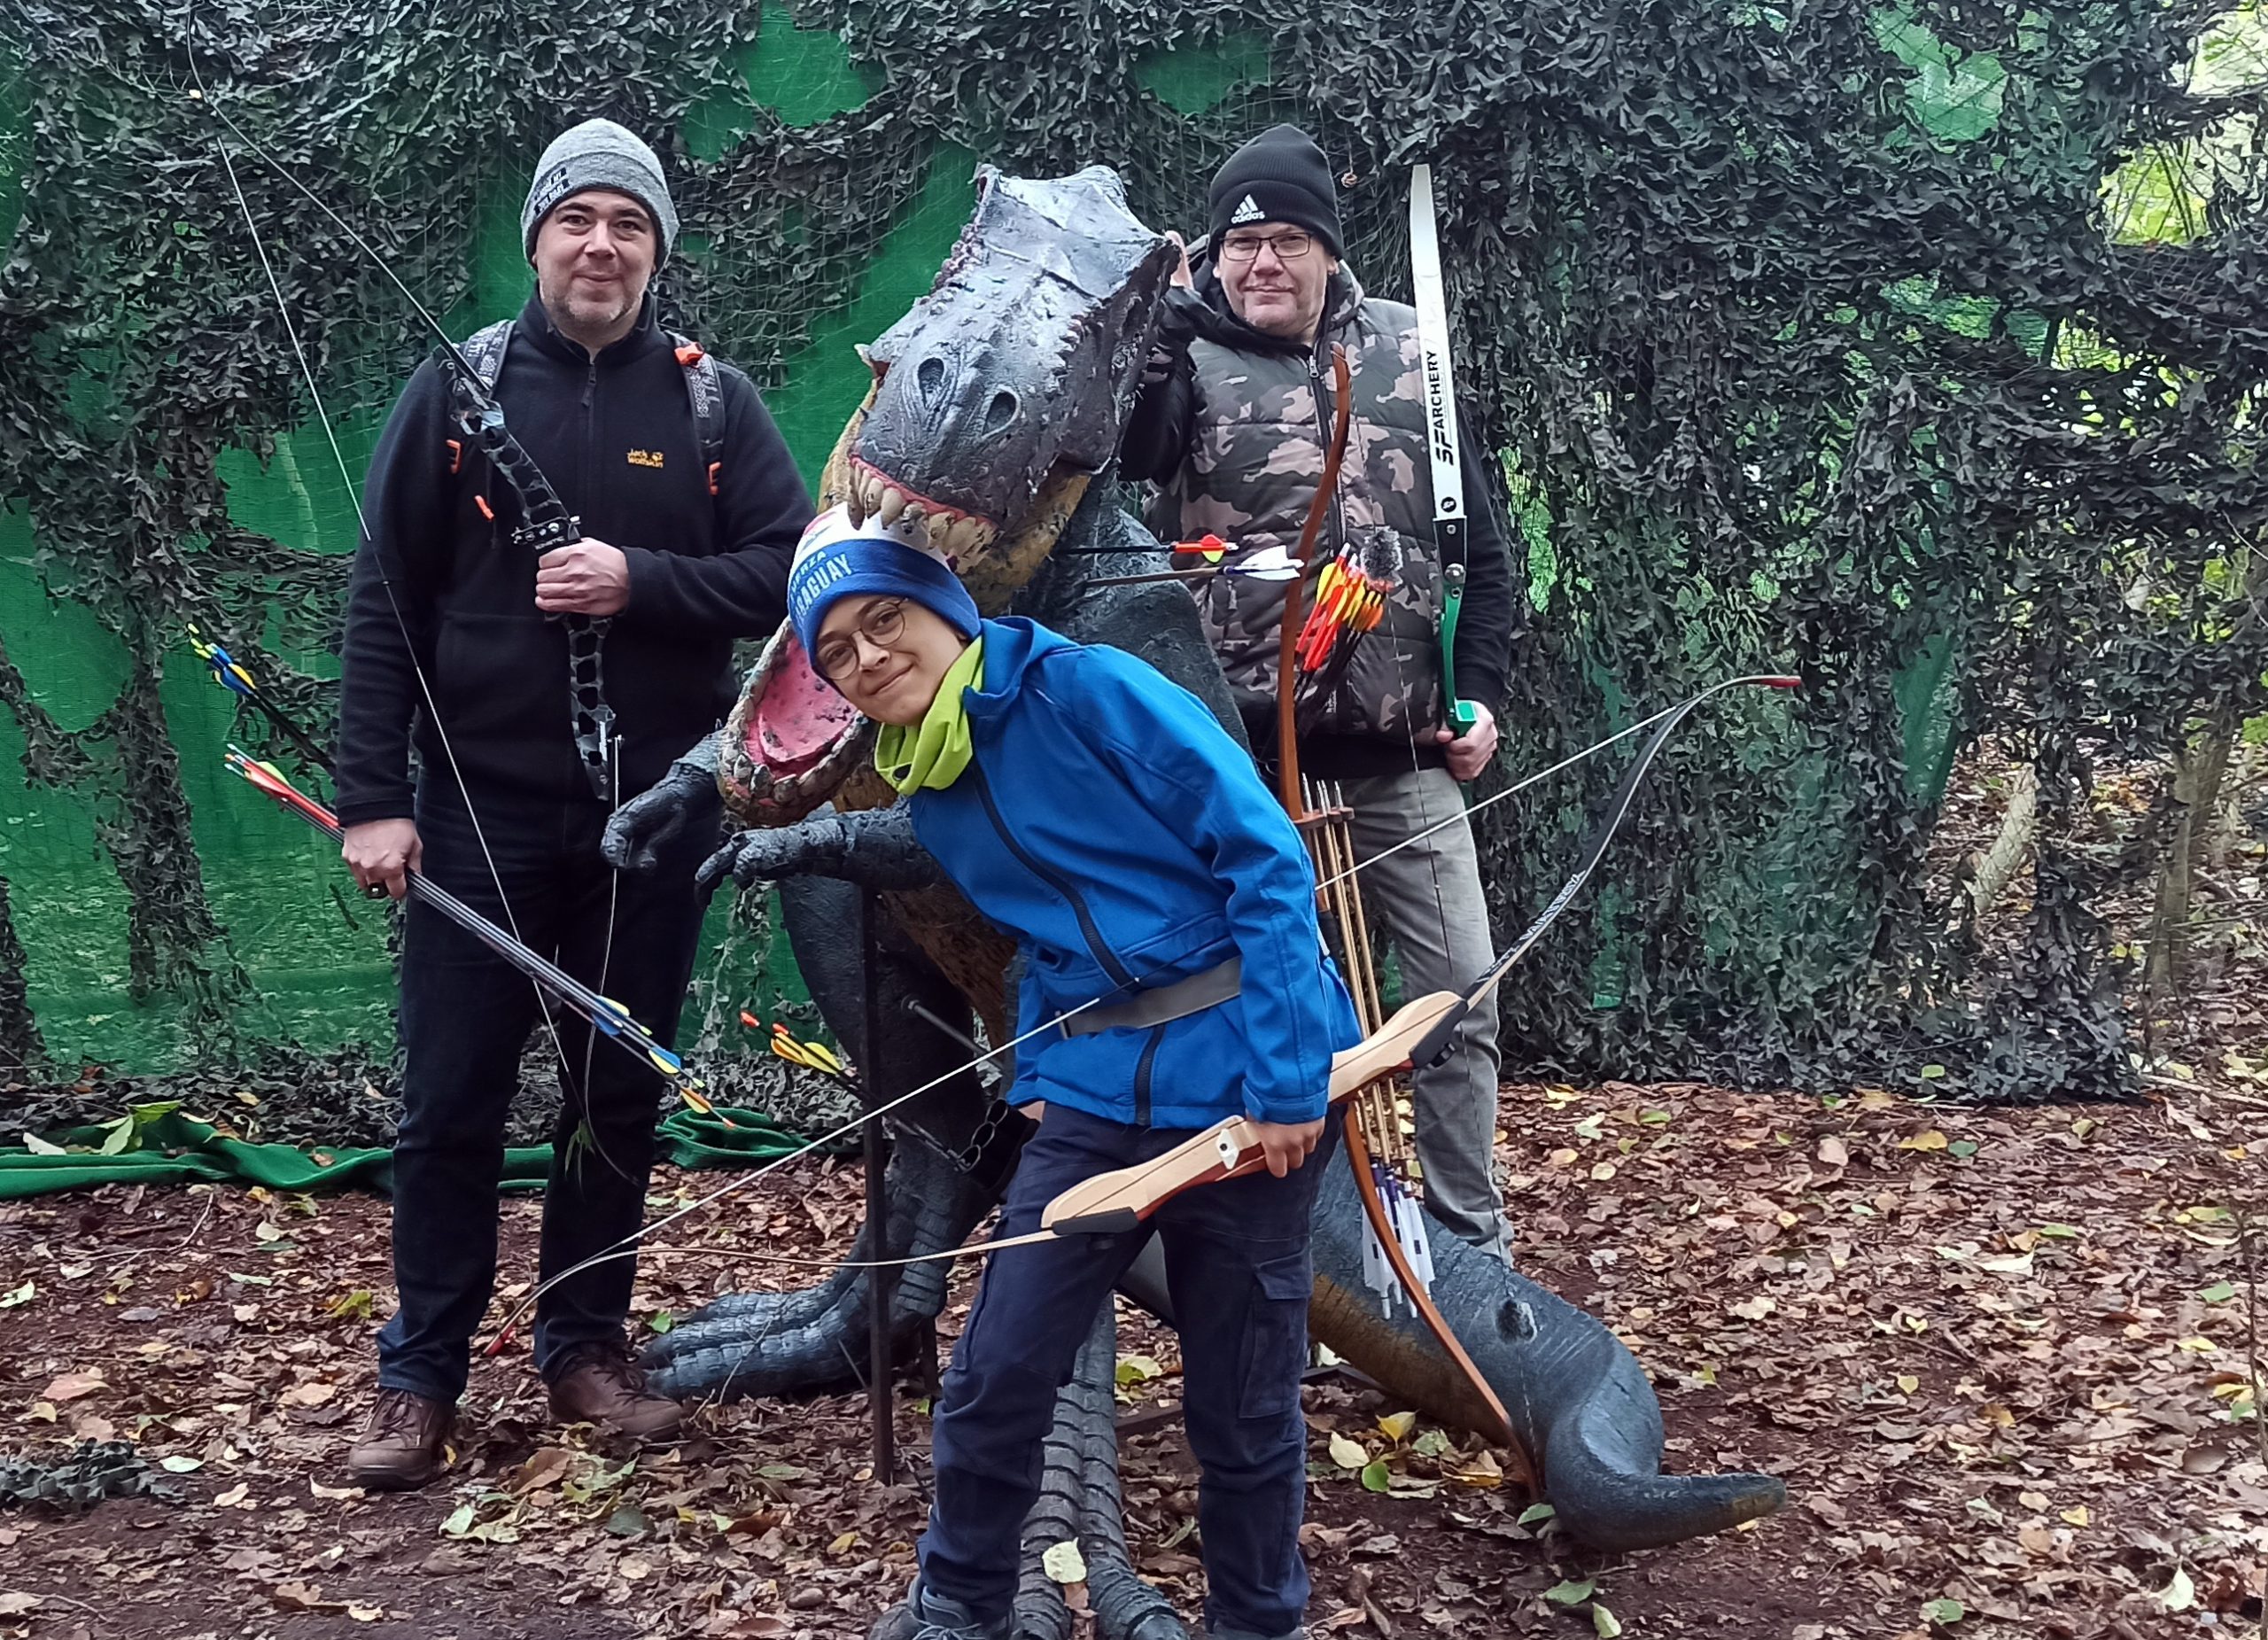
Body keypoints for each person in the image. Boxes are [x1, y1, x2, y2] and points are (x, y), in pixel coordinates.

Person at [759, 509, 1358, 1640]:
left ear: (943, 612)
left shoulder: (1088, 691)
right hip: (1091, 1100)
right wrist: (1036, 1067)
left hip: (1240, 1082)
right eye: (836, 651)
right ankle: (961, 1604)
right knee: (995, 1374)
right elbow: (1044, 933)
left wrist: (1287, 1086)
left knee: (1242, 1400)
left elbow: (1269, 865)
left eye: (885, 620)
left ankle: (1257, 1620)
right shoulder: (926, 776)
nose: (869, 656)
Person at [333, 118, 813, 1489]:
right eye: (578, 220)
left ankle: (584, 1344)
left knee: (615, 1092)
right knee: (448, 1102)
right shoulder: (456, 389)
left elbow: (793, 573)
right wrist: (376, 797)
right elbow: (383, 607)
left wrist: (639, 579)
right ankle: (419, 1372)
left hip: (652, 820)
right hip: (476, 816)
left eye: (630, 225)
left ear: (658, 251)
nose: (602, 247)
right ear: (538, 237)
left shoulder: (712, 402)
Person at [1120, 123, 1520, 1260]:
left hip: (1399, 755)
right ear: (1213, 255)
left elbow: (1477, 553)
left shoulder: (1410, 351)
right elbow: (1135, 455)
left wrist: (1476, 695)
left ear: (1329, 254)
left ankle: (1468, 1256)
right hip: (1243, 766)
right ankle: (1278, 1261)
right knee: (1270, 1018)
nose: (1264, 265)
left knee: (1455, 1001)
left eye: (1288, 240)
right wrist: (1154, 336)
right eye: (1241, 244)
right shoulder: (1180, 363)